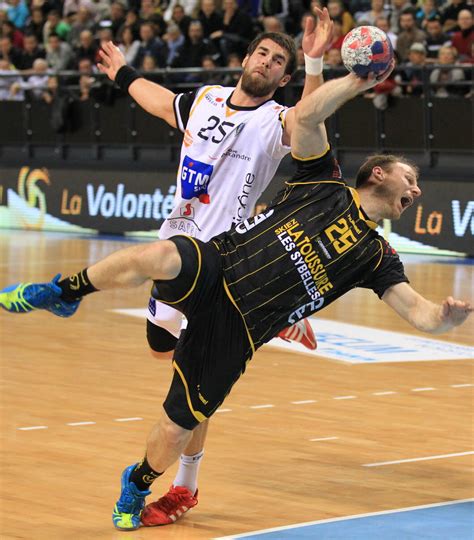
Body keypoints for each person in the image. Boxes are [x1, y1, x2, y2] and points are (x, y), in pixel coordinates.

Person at [2, 61, 472, 533]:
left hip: (238, 329)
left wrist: (445, 317)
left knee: (177, 425)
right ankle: (66, 292)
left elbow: (420, 313)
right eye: (408, 178)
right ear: (376, 173)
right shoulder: (323, 182)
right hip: (219, 266)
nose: (417, 188)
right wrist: (354, 81)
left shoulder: (378, 258)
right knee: (160, 256)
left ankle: (139, 481)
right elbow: (306, 119)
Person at [87, 10, 330, 527]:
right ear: (247, 59)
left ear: (283, 78)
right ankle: (277, 318)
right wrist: (124, 74)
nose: (266, 63)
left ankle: (184, 487)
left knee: (190, 388)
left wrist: (313, 60)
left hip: (222, 265)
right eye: (262, 53)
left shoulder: (276, 120)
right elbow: (160, 104)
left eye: (278, 62)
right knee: (163, 353)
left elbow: (311, 118)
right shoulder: (207, 99)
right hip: (172, 254)